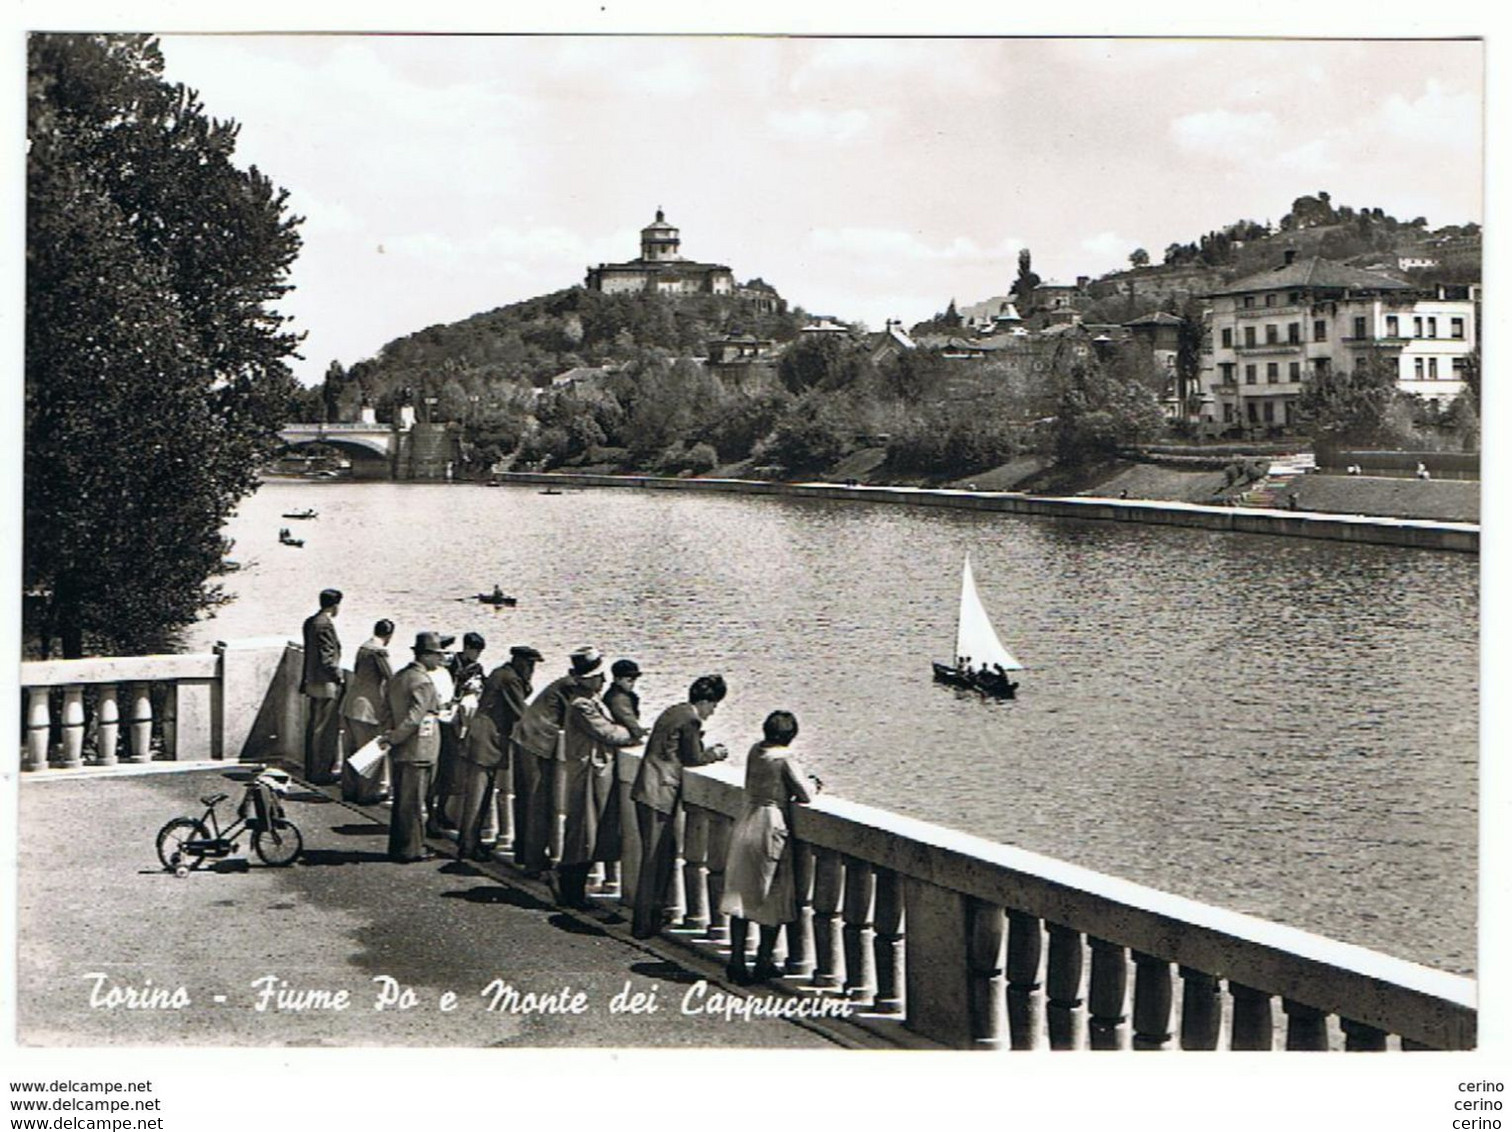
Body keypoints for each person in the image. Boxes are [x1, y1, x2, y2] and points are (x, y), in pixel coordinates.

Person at [630, 674, 729, 939]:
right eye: (714, 706)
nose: (712, 712)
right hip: (659, 792)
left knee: (658, 856)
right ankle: (642, 925)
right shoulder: (691, 718)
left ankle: (648, 920)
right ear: (706, 701)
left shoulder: (675, 710)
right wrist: (715, 754)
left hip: (647, 787)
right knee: (655, 859)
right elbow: (693, 758)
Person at [721, 710, 816, 985]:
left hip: (747, 819)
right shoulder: (785, 758)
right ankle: (764, 960)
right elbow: (805, 794)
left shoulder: (754, 751)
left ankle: (736, 960)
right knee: (772, 894)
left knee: (742, 893)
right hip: (771, 825)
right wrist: (814, 784)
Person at [510, 647, 607, 876]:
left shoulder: (566, 683)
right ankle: (533, 864)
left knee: (527, 802)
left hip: (527, 738)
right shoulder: (573, 689)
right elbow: (585, 720)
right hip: (538, 744)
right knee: (538, 805)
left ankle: (525, 854)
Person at [556, 663, 645, 909]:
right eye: (598, 677)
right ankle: (570, 891)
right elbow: (608, 733)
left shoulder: (591, 700)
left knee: (589, 833)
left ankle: (573, 890)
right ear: (586, 680)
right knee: (583, 833)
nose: (603, 680)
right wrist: (634, 734)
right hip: (587, 773)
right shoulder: (582, 704)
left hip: (594, 772)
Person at [456, 645, 541, 861]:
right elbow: (521, 712)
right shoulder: (510, 679)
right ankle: (468, 846)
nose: (532, 670)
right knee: (477, 797)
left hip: (483, 738)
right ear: (522, 662)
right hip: (487, 741)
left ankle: (471, 841)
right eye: (530, 665)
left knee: (481, 796)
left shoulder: (501, 672)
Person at [377, 632, 448, 862]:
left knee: (402, 802)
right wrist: (397, 736)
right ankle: (412, 849)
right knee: (415, 803)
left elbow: (386, 710)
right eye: (437, 655)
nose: (440, 659)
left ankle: (399, 847)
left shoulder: (399, 677)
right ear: (425, 655)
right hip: (420, 749)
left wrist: (390, 735)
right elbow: (415, 718)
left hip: (400, 750)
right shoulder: (424, 682)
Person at [428, 632, 484, 836]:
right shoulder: (450, 664)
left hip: (459, 722)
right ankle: (432, 816)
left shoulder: (477, 668)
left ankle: (441, 811)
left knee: (450, 772)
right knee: (439, 770)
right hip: (444, 720)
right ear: (467, 647)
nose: (477, 655)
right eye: (475, 650)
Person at [598, 659, 644, 892]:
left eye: (635, 678)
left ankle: (610, 878)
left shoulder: (616, 696)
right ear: (617, 678)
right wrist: (639, 733)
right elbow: (632, 727)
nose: (633, 683)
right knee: (612, 824)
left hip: (613, 762)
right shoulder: (618, 699)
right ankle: (611, 879)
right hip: (612, 764)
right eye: (629, 679)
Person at [340, 618, 395, 804]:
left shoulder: (364, 647)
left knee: (351, 750)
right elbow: (391, 678)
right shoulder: (379, 651)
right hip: (368, 708)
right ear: (389, 635)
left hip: (351, 704)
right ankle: (366, 793)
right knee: (368, 753)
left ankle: (349, 790)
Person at [300, 588, 344, 785]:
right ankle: (321, 773)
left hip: (311, 681)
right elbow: (327, 659)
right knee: (325, 730)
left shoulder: (311, 622)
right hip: (326, 683)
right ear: (335, 605)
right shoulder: (325, 624)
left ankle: (312, 770)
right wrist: (339, 676)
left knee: (314, 728)